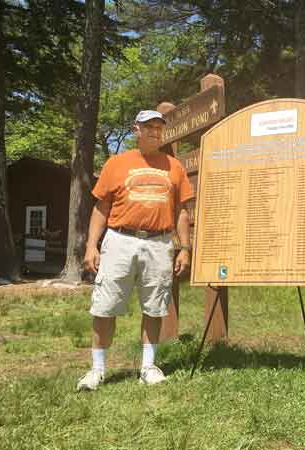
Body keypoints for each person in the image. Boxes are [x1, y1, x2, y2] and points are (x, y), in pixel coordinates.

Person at [76, 110, 193, 391]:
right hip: (119, 240)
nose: (155, 131)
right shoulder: (116, 163)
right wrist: (92, 245)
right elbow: (100, 208)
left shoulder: (174, 167)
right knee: (105, 306)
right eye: (149, 126)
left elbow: (181, 212)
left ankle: (148, 366)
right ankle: (97, 370)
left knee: (155, 306)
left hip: (159, 242)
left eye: (159, 127)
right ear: (136, 130)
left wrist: (185, 247)